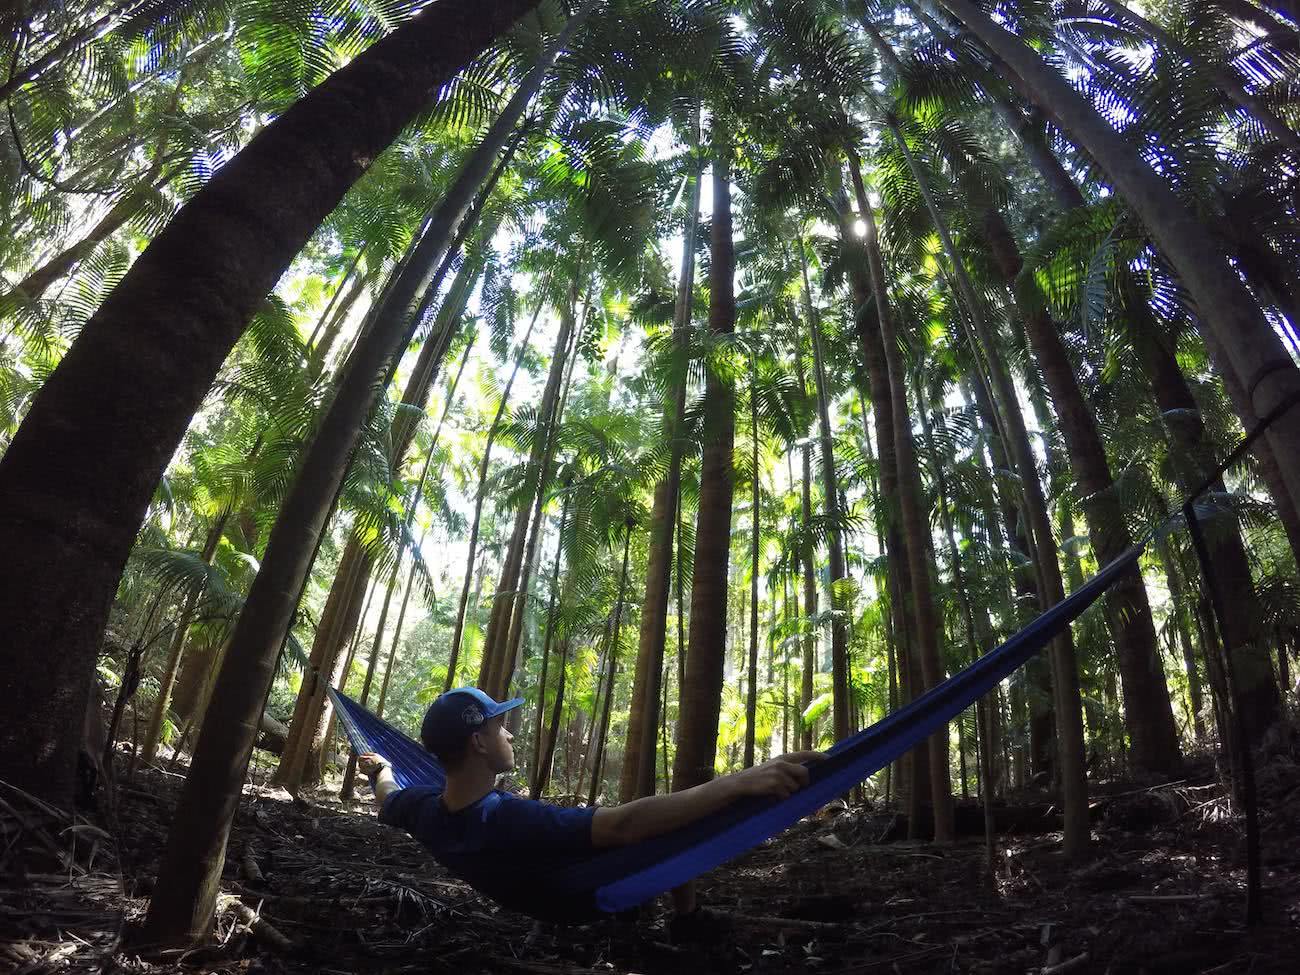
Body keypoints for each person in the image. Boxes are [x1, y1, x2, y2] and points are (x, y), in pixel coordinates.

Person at [357, 686, 823, 922]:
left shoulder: (423, 810)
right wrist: (738, 783)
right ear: (479, 743)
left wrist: (379, 767)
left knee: (662, 833)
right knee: (671, 829)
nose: (511, 733)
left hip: (539, 886)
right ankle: (689, 922)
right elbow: (623, 827)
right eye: (501, 728)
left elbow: (388, 793)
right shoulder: (509, 818)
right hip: (574, 897)